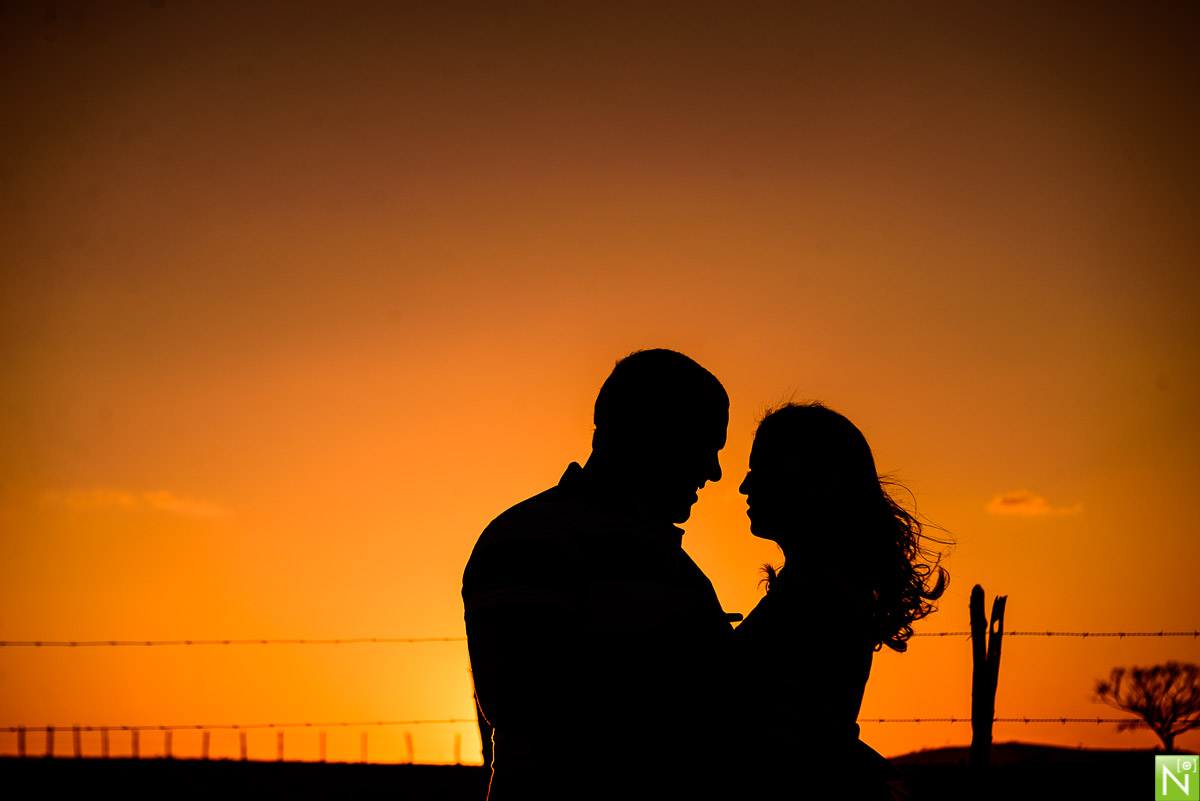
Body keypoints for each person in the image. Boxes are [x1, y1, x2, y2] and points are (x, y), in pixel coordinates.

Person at [462, 349, 736, 800]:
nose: (714, 471)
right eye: (704, 444)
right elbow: (521, 701)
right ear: (641, 426)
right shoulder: (529, 536)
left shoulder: (675, 562)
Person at [733, 402, 948, 800]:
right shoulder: (818, 584)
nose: (745, 486)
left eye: (760, 470)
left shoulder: (819, 594)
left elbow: (786, 740)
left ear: (812, 481)